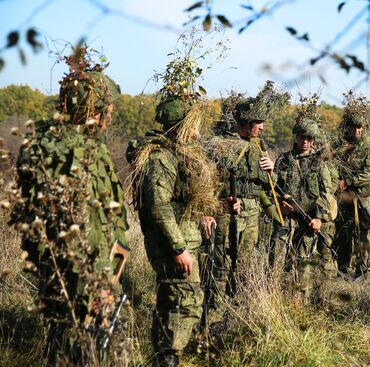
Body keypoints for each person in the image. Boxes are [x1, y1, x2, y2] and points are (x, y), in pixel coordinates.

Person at [11, 58, 128, 365]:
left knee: (60, 342)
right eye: (108, 109)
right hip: (80, 276)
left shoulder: (46, 143)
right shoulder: (78, 154)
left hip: (54, 266)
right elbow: (85, 228)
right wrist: (100, 285)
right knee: (79, 350)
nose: (111, 116)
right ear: (95, 110)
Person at [127, 96, 219, 367]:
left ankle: (165, 355)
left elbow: (182, 198)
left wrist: (203, 214)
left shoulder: (178, 154)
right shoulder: (162, 158)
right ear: (180, 125)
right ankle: (168, 358)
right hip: (172, 247)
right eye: (192, 124)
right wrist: (179, 248)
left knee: (174, 302)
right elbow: (159, 205)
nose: (196, 131)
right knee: (184, 303)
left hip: (181, 241)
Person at [206, 86, 285, 305]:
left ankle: (237, 307)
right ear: (245, 122)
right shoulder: (223, 145)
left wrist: (271, 171)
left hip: (252, 213)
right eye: (257, 122)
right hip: (230, 210)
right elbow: (209, 183)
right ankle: (214, 311)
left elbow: (268, 185)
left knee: (245, 263)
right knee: (222, 263)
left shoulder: (258, 147)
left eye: (262, 122)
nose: (262, 127)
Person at [272, 118, 336, 299]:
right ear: (296, 137)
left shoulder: (320, 163)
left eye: (309, 138)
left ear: (313, 140)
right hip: (286, 218)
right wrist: (278, 202)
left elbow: (326, 193)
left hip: (308, 220)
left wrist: (319, 218)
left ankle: (299, 302)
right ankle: (273, 297)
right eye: (302, 137)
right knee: (277, 258)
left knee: (302, 261)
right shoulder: (283, 160)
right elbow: (272, 186)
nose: (305, 141)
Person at [333, 93, 370, 278]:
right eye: (353, 127)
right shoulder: (341, 147)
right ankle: (342, 270)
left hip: (363, 199)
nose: (357, 131)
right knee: (343, 235)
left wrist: (349, 181)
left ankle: (361, 272)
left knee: (363, 237)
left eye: (360, 127)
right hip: (344, 199)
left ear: (364, 128)